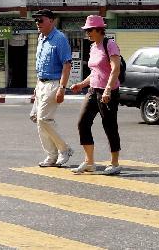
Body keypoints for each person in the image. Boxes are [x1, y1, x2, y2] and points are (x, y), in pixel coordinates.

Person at [70, 15, 123, 175]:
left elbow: (115, 69)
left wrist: (107, 89)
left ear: (99, 30)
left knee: (109, 126)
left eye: (90, 30)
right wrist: (81, 84)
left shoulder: (110, 44)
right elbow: (95, 72)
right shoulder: (93, 47)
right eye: (86, 30)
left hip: (108, 91)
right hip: (93, 90)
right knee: (82, 123)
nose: (87, 33)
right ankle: (89, 162)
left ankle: (114, 163)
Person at [30, 9, 74, 168]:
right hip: (41, 83)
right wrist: (36, 87)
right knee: (39, 121)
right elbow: (40, 65)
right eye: (36, 21)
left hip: (54, 83)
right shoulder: (41, 38)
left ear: (51, 21)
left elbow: (67, 65)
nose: (37, 24)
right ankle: (51, 155)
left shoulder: (60, 38)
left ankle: (65, 149)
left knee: (44, 119)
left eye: (40, 20)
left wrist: (62, 88)